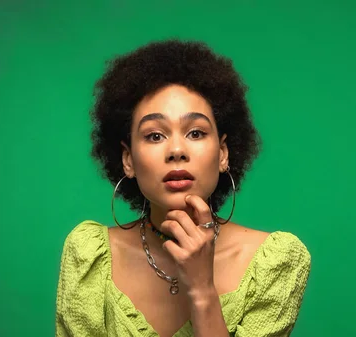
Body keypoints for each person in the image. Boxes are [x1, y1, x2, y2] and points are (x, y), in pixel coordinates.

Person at [55, 39, 311, 337]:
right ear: (128, 160)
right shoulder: (89, 257)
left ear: (223, 154)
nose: (177, 150)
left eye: (195, 132)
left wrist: (202, 291)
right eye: (154, 136)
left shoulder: (275, 263)